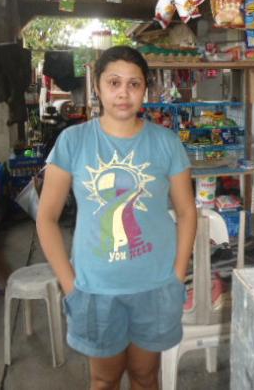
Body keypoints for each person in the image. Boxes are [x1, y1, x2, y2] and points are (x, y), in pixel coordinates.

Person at [36, 46, 196, 390]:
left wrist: (177, 275)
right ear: (97, 86)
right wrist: (70, 285)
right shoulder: (73, 141)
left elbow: (186, 212)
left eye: (134, 84)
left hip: (156, 286)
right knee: (103, 380)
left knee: (145, 377)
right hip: (95, 289)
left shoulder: (166, 142)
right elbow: (46, 218)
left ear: (145, 90)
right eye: (114, 82)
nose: (123, 93)